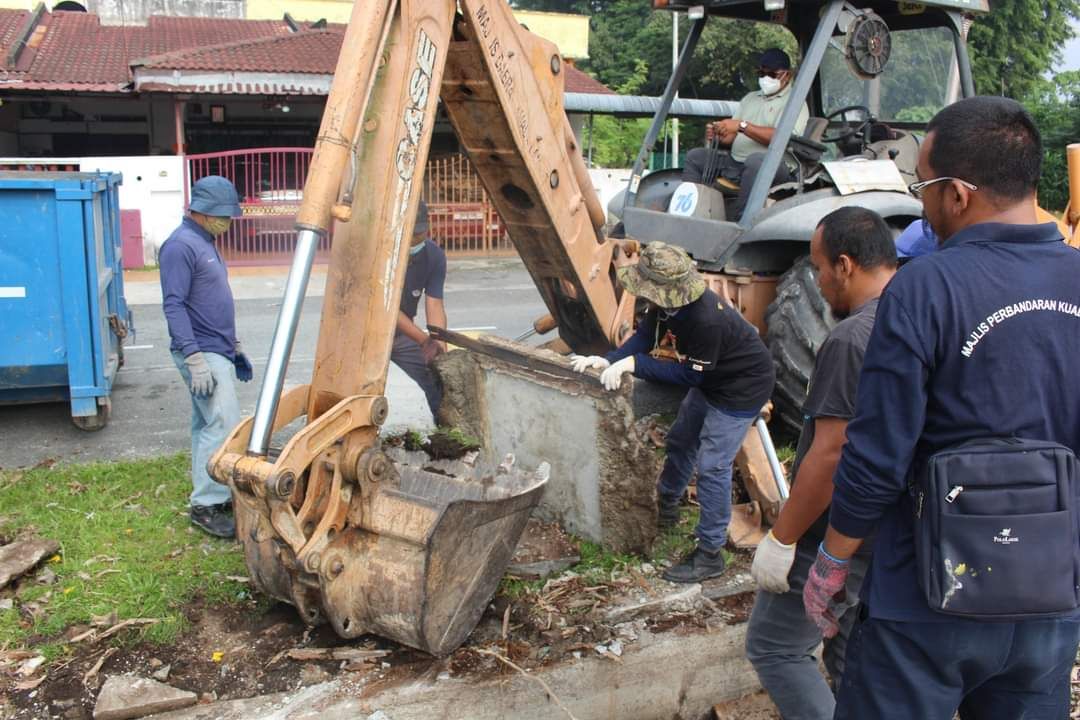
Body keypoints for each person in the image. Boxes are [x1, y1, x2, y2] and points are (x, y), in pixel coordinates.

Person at [803, 96, 1080, 718]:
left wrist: (831, 561)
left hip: (926, 607)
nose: (922, 204)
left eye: (924, 186)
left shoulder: (924, 287)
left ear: (957, 193)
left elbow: (874, 457)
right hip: (1050, 601)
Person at [745, 207, 897, 720]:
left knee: (776, 646)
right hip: (888, 530)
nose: (818, 280)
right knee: (850, 655)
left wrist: (783, 539)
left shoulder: (852, 339)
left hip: (836, 535)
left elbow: (830, 453)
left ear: (846, 264)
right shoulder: (917, 317)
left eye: (818, 267)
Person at [571, 242, 774, 583]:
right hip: (713, 380)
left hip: (742, 387)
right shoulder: (663, 305)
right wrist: (611, 358)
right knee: (681, 439)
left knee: (713, 465)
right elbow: (645, 337)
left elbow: (691, 376)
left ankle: (710, 553)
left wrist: (637, 365)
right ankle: (666, 505)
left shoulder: (706, 319)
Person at [160, 176, 252, 539]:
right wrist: (194, 357)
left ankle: (207, 495)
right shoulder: (180, 246)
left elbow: (209, 301)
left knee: (205, 426)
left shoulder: (204, 242)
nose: (228, 221)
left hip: (217, 347)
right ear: (201, 211)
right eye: (223, 215)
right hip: (202, 352)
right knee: (222, 425)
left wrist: (235, 344)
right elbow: (174, 305)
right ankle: (208, 505)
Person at [682, 47, 810, 219]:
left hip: (776, 166)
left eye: (772, 75)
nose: (766, 79)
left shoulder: (795, 102)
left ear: (787, 75)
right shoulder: (750, 98)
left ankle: (742, 220)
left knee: (756, 161)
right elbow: (731, 137)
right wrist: (718, 134)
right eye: (761, 74)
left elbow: (781, 138)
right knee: (695, 157)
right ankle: (691, 213)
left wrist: (742, 126)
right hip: (736, 163)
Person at [392, 201, 447, 421]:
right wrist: (425, 341)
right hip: (369, 334)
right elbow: (387, 309)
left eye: (420, 233)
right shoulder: (384, 253)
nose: (416, 239)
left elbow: (434, 304)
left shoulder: (434, 256)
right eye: (411, 234)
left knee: (439, 381)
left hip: (402, 336)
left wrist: (439, 347)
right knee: (359, 392)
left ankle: (448, 438)